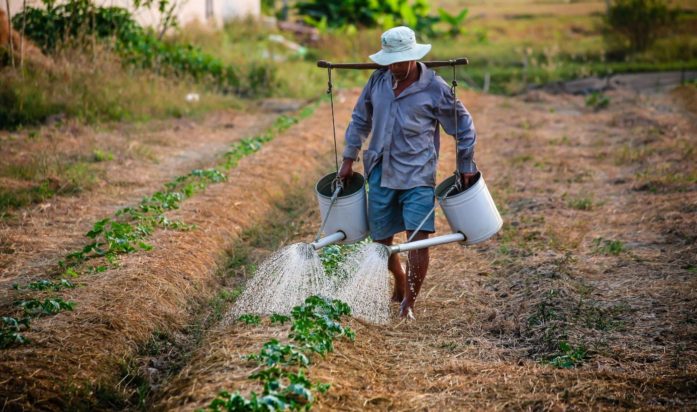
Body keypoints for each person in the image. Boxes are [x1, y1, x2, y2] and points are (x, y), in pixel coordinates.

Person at [338, 26, 478, 320]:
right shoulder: (377, 81)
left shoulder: (435, 88)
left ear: (414, 57)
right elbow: (360, 119)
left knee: (418, 238)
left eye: (401, 61)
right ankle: (399, 278)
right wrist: (348, 158)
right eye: (391, 61)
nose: (396, 67)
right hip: (380, 171)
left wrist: (465, 164)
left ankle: (408, 304)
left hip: (418, 175)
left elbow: (464, 127)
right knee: (381, 243)